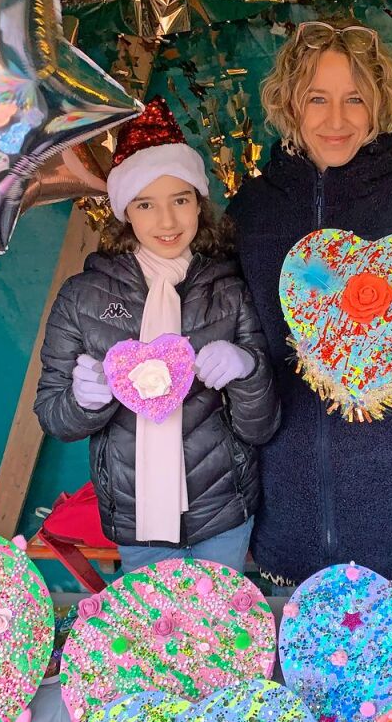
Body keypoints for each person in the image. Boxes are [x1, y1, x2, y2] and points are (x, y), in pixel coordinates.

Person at [227, 20, 392, 591]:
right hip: (290, 493)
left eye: (354, 98)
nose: (336, 119)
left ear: (379, 104)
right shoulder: (254, 208)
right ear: (289, 104)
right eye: (318, 99)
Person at [35, 97, 280, 574]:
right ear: (126, 211)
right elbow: (54, 417)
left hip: (223, 513)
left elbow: (261, 426)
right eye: (146, 204)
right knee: (153, 639)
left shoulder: (230, 291)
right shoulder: (82, 298)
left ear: (198, 204)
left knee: (219, 634)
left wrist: (247, 370)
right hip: (136, 520)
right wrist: (84, 400)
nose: (166, 222)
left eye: (180, 200)